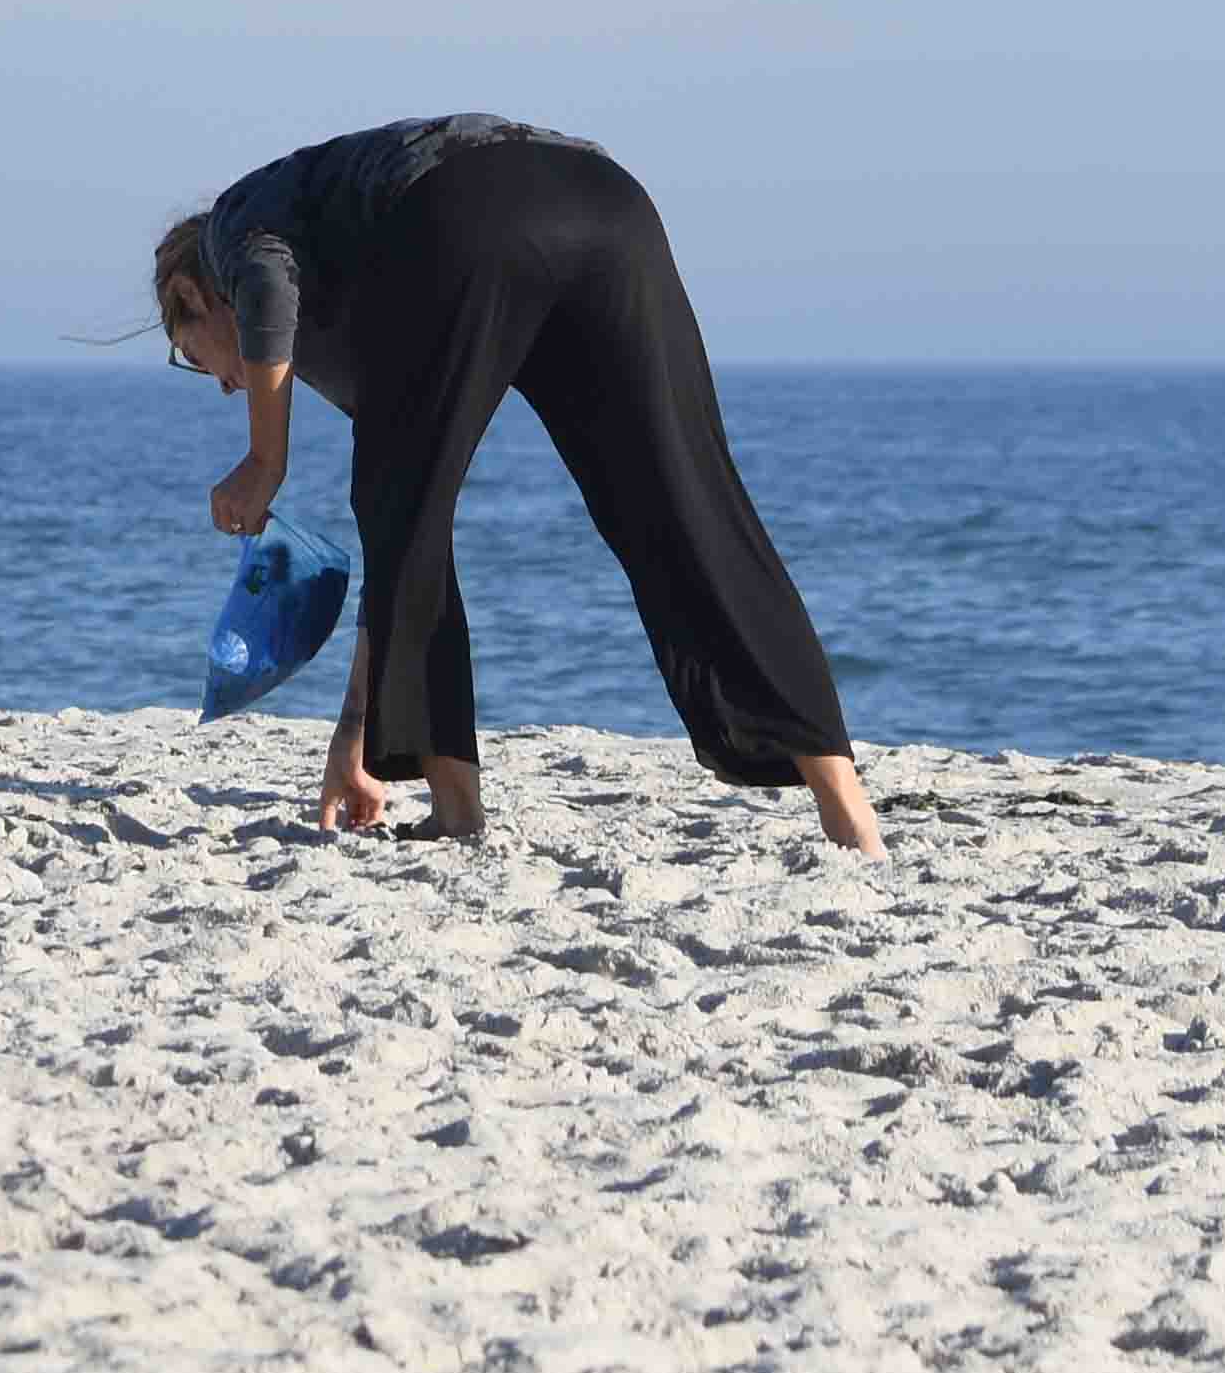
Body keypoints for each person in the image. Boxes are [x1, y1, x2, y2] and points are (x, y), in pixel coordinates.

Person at [152, 117, 882, 854]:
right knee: (689, 505)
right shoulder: (348, 294)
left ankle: (456, 806)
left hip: (471, 206)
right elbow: (399, 531)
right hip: (613, 206)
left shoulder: (234, 224)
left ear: (192, 293)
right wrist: (354, 735)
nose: (221, 383)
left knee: (405, 507)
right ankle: (843, 801)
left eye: (192, 354)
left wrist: (265, 459)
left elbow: (266, 282)